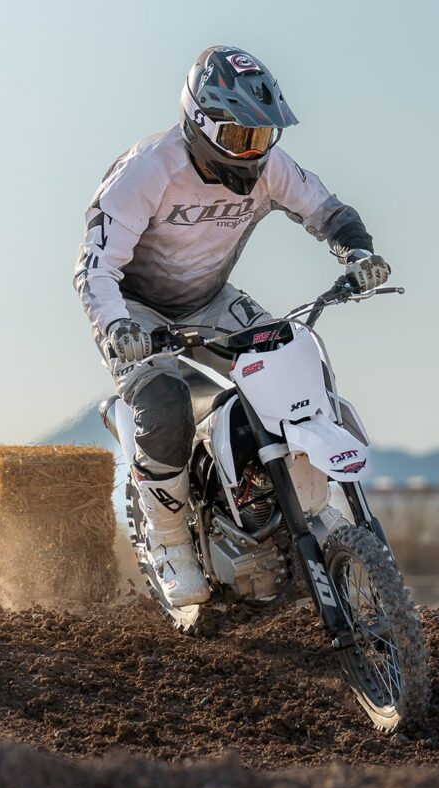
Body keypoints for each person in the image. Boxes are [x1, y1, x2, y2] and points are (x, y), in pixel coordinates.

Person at [73, 46, 390, 607]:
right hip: (135, 308)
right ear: (199, 124)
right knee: (165, 402)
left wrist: (357, 252)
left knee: (292, 361)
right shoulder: (148, 171)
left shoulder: (270, 167)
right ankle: (169, 541)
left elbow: (327, 210)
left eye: (264, 139)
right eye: (241, 138)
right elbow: (95, 268)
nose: (255, 154)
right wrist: (117, 327)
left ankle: (304, 504)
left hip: (211, 299)